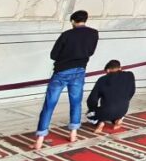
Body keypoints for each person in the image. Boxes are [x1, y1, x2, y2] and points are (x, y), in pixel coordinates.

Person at [34, 10, 99, 150]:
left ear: (73, 21)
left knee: (49, 105)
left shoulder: (67, 35)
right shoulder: (94, 33)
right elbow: (91, 52)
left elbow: (54, 55)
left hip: (61, 72)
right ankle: (73, 134)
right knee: (76, 103)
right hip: (79, 71)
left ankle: (40, 139)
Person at [86, 59, 136, 134]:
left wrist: (93, 109)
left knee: (88, 115)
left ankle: (100, 122)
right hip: (123, 110)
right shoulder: (130, 75)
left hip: (107, 111)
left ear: (108, 70)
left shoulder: (102, 79)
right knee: (115, 111)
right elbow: (132, 91)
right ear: (120, 68)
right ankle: (117, 120)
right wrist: (125, 100)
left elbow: (92, 99)